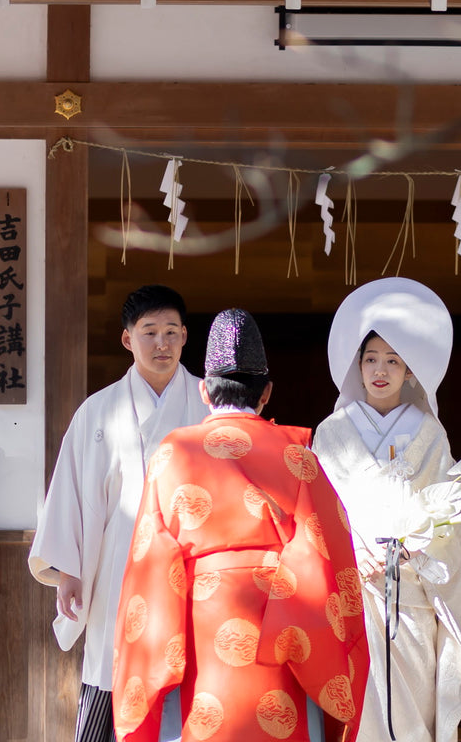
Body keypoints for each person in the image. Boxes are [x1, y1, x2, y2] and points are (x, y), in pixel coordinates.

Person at [112, 308, 369, 742]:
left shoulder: (172, 454)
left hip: (199, 628)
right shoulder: (298, 458)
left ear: (204, 392)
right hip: (283, 629)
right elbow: (327, 558)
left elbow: (151, 567)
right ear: (265, 393)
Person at [29, 285, 209, 742]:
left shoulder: (210, 405)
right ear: (128, 339)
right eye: (150, 332)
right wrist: (69, 571)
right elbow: (69, 493)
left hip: (190, 569)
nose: (162, 343)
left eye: (172, 331)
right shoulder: (97, 412)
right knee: (110, 675)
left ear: (187, 336)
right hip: (116, 574)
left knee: (189, 680)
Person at [312, 277, 461, 742]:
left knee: (414, 709)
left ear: (409, 371)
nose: (380, 370)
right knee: (357, 706)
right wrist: (351, 553)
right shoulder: (331, 433)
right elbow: (317, 514)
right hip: (354, 587)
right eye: (370, 359)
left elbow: (450, 509)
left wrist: (420, 544)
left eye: (392, 360)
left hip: (412, 592)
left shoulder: (431, 433)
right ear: (357, 366)